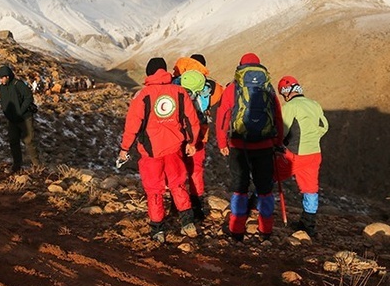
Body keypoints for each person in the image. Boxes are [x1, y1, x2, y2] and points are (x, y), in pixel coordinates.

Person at [117, 57, 201, 243]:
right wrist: (191, 142)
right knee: (178, 184)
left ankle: (158, 230)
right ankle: (188, 224)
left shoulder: (142, 96)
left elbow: (132, 126)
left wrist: (124, 148)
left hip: (150, 153)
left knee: (154, 190)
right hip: (174, 149)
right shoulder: (180, 92)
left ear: (148, 73)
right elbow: (191, 120)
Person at [215, 52, 284, 242]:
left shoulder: (234, 87)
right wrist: (277, 142)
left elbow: (223, 116)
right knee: (265, 188)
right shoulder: (268, 87)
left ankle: (236, 230)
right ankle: (266, 230)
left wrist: (222, 142)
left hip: (239, 145)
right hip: (265, 145)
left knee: (240, 187)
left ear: (240, 67)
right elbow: (277, 116)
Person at [275, 75, 329, 237]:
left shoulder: (290, 106)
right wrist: (312, 137)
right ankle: (308, 225)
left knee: (269, 176)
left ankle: (251, 208)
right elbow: (324, 126)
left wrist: (281, 145)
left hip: (295, 154)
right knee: (310, 189)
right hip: (314, 152)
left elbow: (281, 129)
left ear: (285, 92)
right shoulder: (314, 104)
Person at [172, 54, 224, 221]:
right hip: (200, 136)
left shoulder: (177, 83)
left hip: (178, 135)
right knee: (195, 171)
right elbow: (222, 96)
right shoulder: (211, 87)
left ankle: (176, 205)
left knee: (178, 170)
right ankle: (197, 206)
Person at [0, 65, 40, 172]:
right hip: (12, 119)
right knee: (13, 141)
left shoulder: (18, 84)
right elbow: (3, 102)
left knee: (29, 141)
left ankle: (37, 166)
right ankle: (16, 166)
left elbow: (28, 96)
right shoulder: (2, 88)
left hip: (24, 118)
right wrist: (6, 113)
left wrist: (21, 111)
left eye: (1, 78)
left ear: (7, 76)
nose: (0, 80)